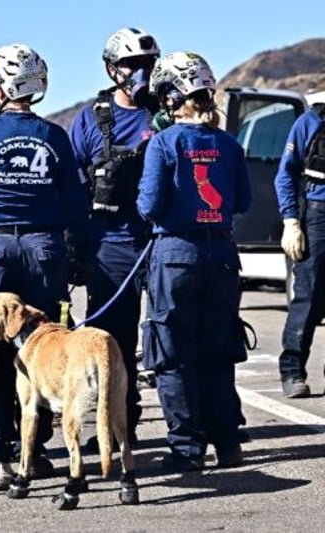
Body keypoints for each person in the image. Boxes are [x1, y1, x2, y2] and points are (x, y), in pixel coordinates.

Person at [0, 44, 90, 485]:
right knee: (41, 346)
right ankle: (35, 447)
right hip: (44, 247)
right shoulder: (54, 137)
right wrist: (76, 253)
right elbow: (75, 202)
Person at [137, 51, 252, 471]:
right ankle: (227, 442)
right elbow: (242, 201)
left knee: (172, 353)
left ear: (172, 96)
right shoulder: (229, 144)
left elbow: (149, 205)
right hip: (221, 252)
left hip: (175, 255)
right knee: (219, 348)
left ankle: (186, 449)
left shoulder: (163, 144)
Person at [68, 27, 161, 448]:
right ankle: (114, 427)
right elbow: (71, 185)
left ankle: (196, 429)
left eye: (148, 64)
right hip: (111, 247)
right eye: (132, 65)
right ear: (112, 69)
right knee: (110, 343)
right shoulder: (90, 119)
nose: (142, 72)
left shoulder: (166, 113)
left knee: (171, 335)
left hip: (159, 242)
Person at [274, 94, 325, 398]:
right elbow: (286, 174)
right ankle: (292, 371)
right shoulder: (309, 122)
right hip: (318, 215)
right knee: (309, 297)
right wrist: (291, 221)